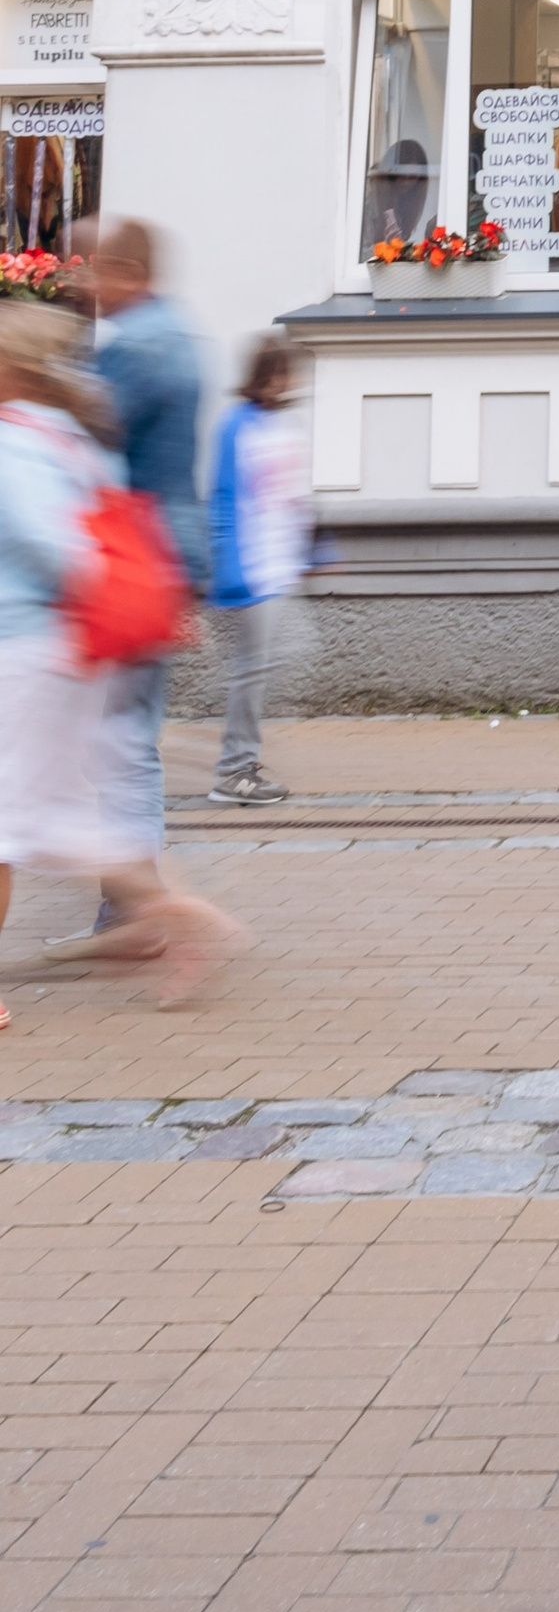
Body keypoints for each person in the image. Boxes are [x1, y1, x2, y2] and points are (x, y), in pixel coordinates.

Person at [0, 300, 243, 1021]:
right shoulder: (75, 436)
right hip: (70, 650)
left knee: (11, 820)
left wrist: (91, 595)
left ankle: (176, 912)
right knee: (50, 815)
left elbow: (56, 546)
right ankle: (173, 914)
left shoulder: (14, 442)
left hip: (29, 648)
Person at [62, 217, 206, 872]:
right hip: (170, 549)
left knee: (120, 738)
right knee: (127, 732)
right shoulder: (178, 336)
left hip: (137, 554)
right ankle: (128, 897)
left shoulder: (134, 349)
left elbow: (88, 443)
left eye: (93, 269)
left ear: (126, 273)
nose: (87, 282)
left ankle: (133, 906)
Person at [205, 337, 308, 810]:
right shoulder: (236, 427)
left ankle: (238, 760)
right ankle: (234, 769)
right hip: (251, 570)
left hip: (278, 568)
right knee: (252, 670)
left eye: (288, 376)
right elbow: (224, 499)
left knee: (268, 663)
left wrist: (311, 551)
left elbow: (290, 498)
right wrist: (230, 567)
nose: (284, 384)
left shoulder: (280, 426)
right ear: (259, 377)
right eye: (276, 375)